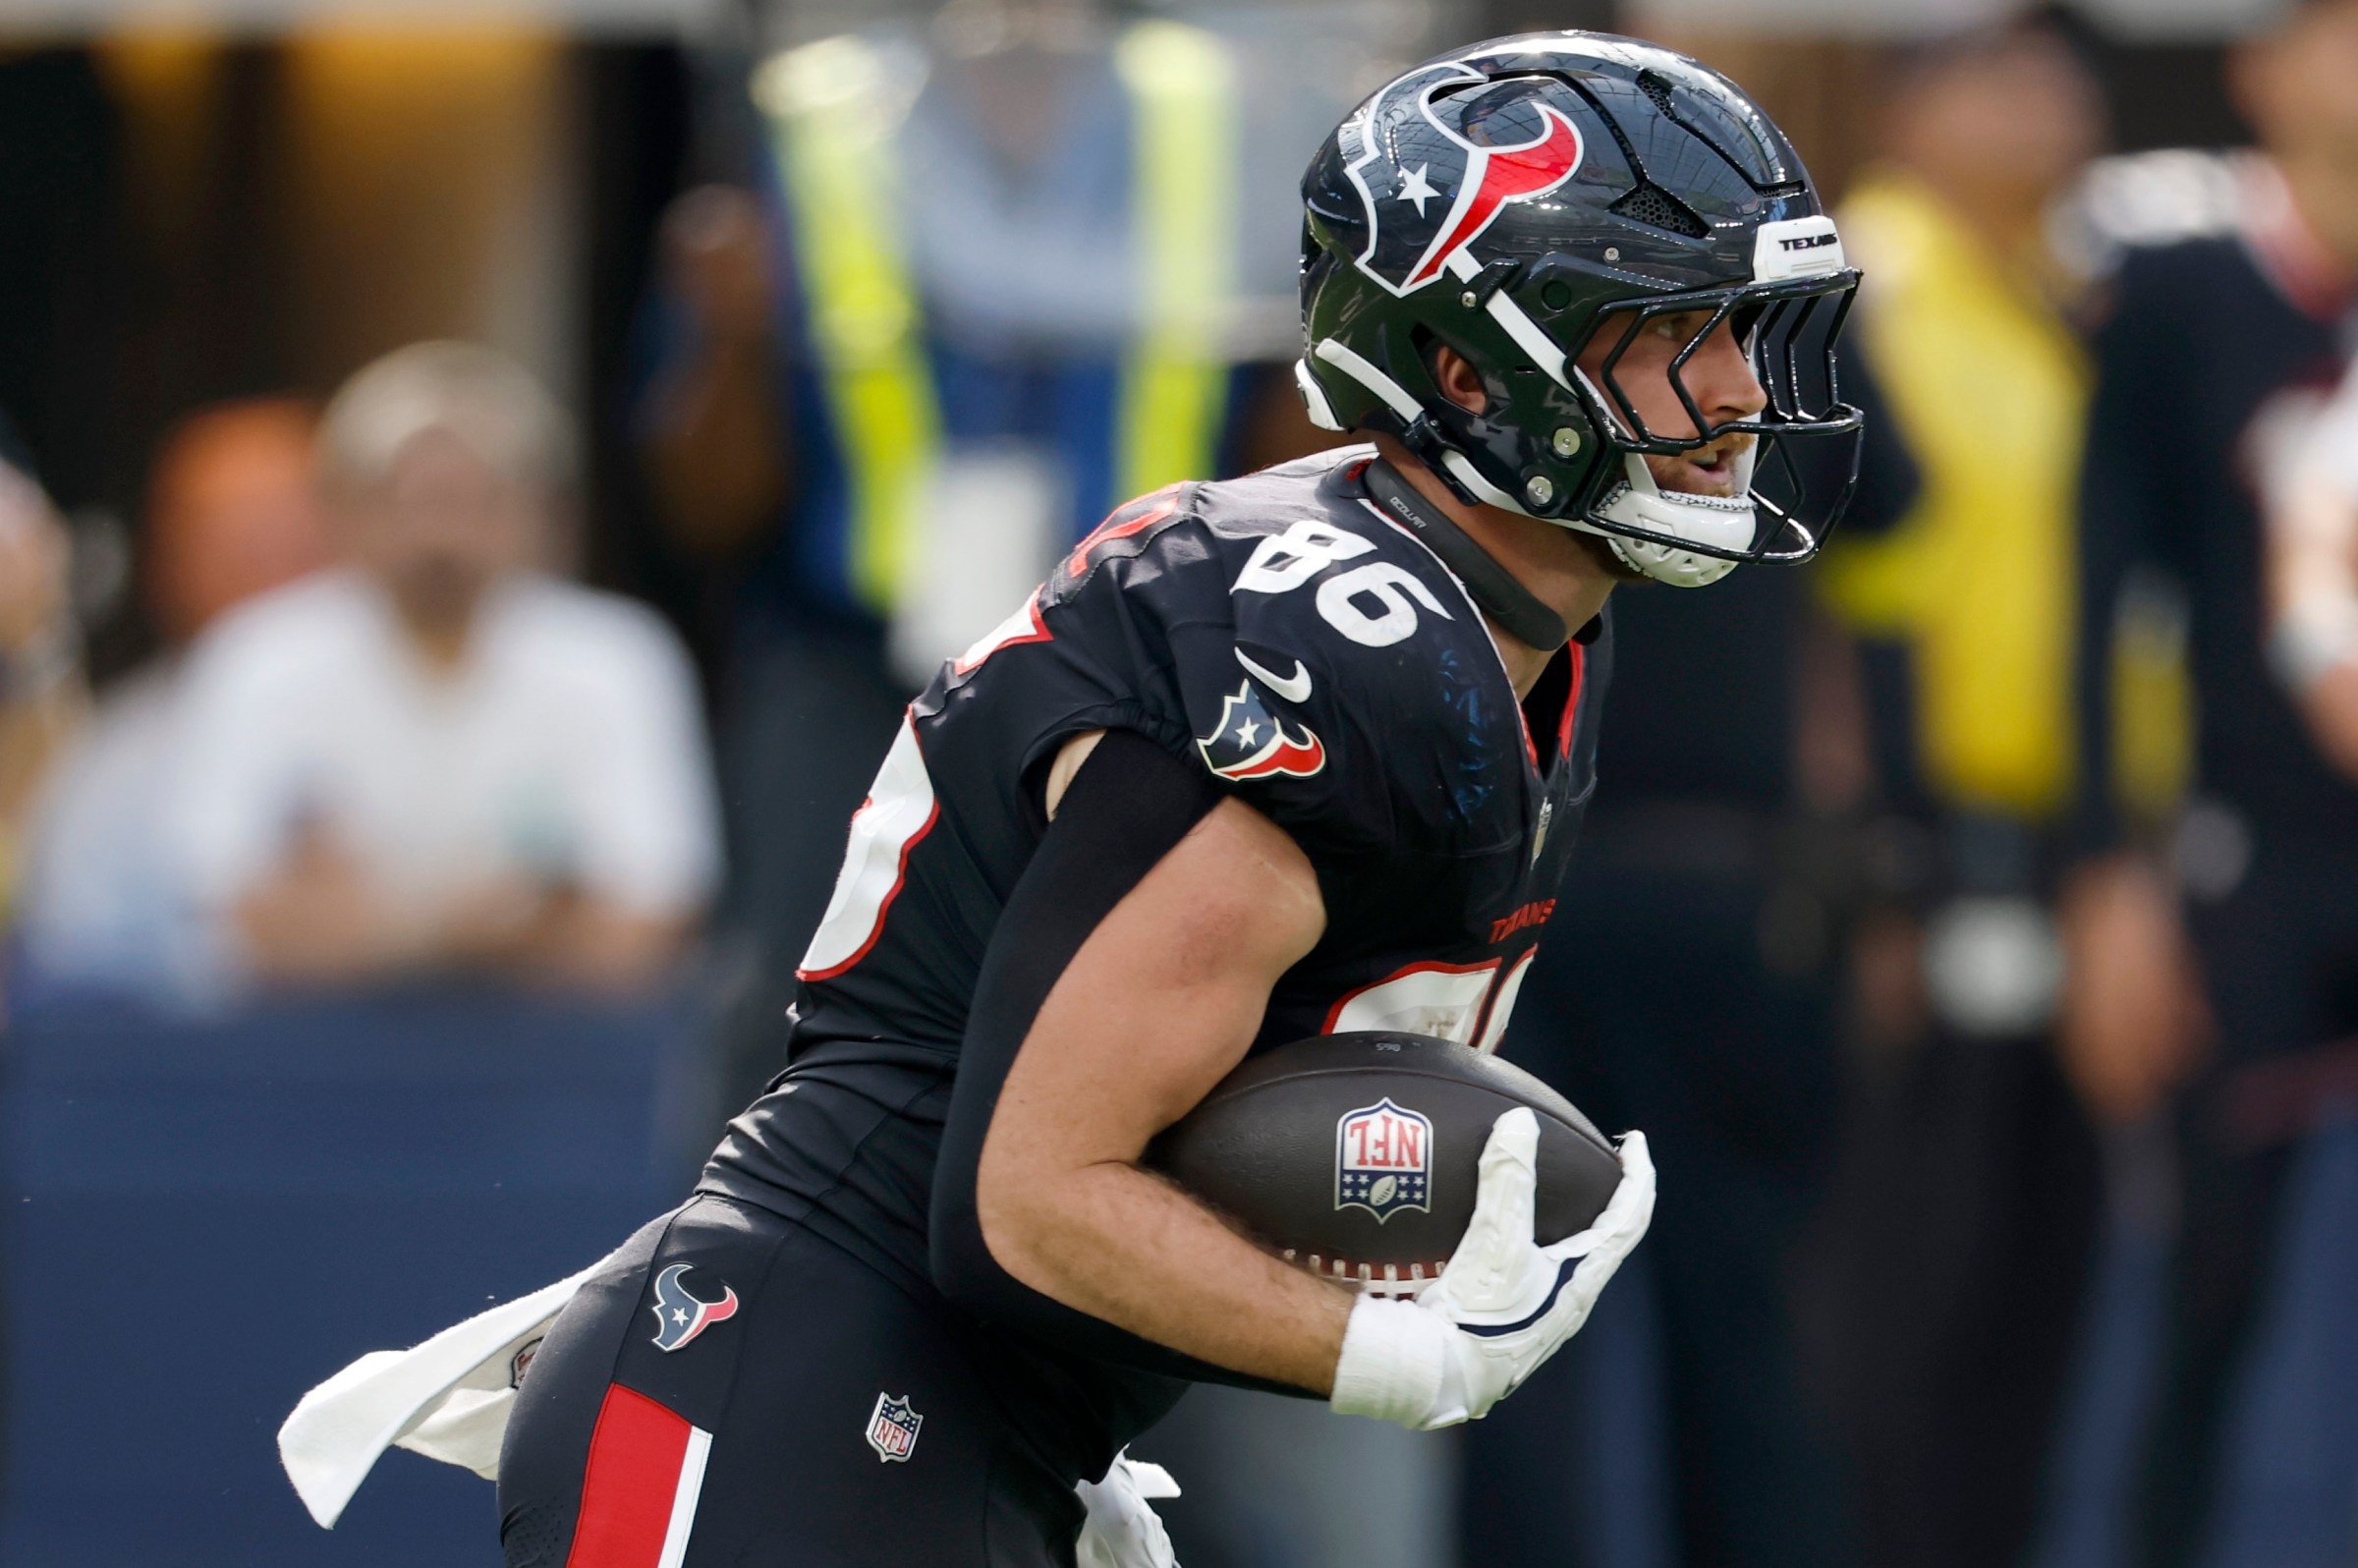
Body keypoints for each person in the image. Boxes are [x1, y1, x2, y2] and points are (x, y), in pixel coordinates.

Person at [477, 34, 1865, 1568]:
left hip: (951, 1420)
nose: (1741, 387)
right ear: (1469, 368)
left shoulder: (1509, 634)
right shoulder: (1353, 653)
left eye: (1740, 324)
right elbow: (1033, 1199)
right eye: (1676, 330)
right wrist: (1385, 1352)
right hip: (798, 1408)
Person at [1803, 19, 2112, 1568]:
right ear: (1908, 95)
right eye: (1998, 66)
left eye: (2057, 64)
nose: (2048, 98)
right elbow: (1865, 593)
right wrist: (1887, 854)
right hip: (1936, 834)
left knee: (2046, 1255)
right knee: (1921, 1250)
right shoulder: (1875, 282)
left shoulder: (2058, 287)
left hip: (2076, 839)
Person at [2059, 1, 2358, 1561]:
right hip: (2245, 857)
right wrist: (2111, 873)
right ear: (2263, 61)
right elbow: (2102, 588)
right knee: (2208, 1290)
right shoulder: (2179, 282)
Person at [164, 344, 719, 997]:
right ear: (343, 510)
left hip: (550, 1075)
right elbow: (227, 912)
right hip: (301, 1065)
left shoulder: (616, 660)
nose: (440, 532)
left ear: (538, 512)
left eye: (473, 496)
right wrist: (500, 928)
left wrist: (376, 929)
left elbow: (650, 920)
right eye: (410, 494)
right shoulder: (256, 659)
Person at [16, 399, 330, 1002]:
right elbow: (76, 975)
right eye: (230, 540)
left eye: (291, 534)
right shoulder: (110, 766)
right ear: (164, 564)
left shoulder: (456, 701)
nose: (264, 568)